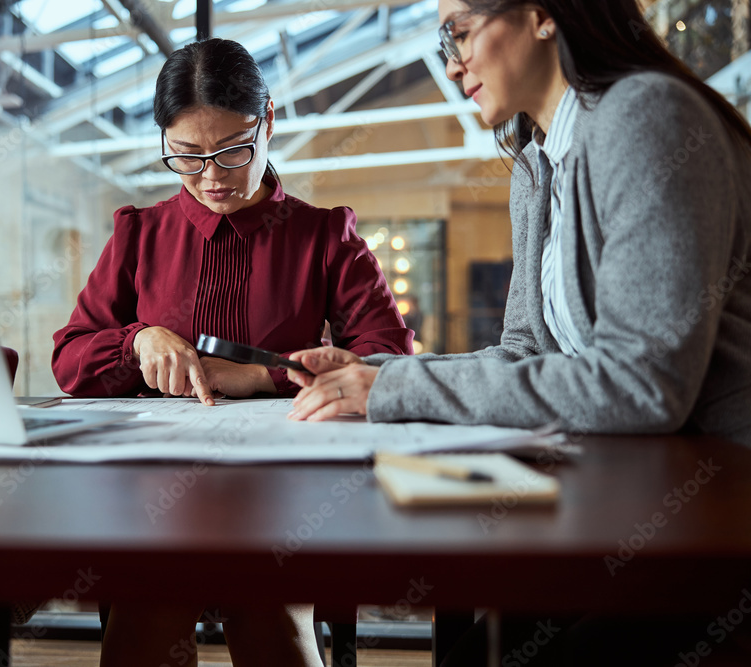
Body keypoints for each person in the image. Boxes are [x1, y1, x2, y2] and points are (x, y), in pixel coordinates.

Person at [51, 38, 413, 666]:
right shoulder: (138, 234)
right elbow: (70, 357)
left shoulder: (324, 236)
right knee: (148, 608)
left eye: (232, 150)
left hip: (282, 490)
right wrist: (136, 341)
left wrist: (259, 377)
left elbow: (387, 360)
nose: (212, 177)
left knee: (270, 604)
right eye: (187, 157)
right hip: (156, 492)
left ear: (268, 122)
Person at [287, 0, 751, 452]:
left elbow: (643, 383)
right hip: (630, 474)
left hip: (719, 482)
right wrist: (377, 373)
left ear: (543, 15)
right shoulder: (535, 166)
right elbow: (526, 350)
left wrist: (399, 386)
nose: (451, 67)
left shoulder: (644, 115)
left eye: (458, 34)